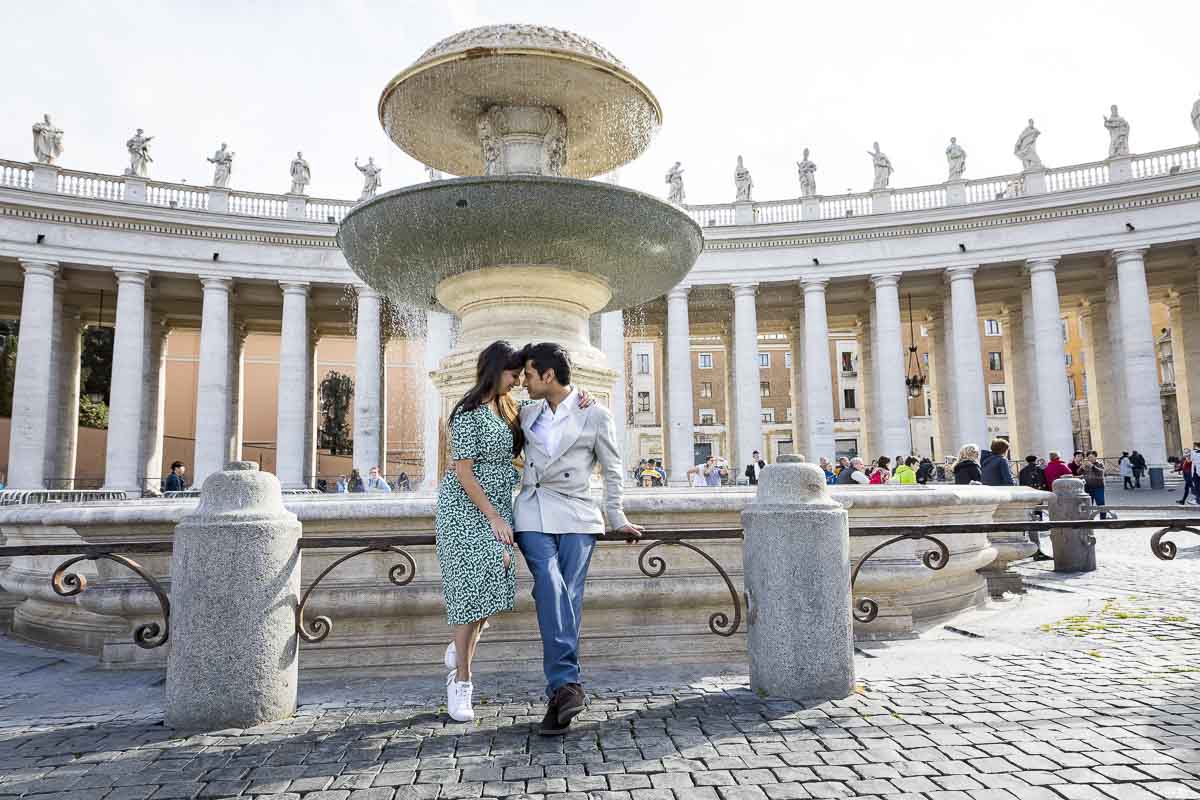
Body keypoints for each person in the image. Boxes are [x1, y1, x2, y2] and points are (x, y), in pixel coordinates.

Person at [512, 342, 642, 737]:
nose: (525, 383)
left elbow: (613, 468)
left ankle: (562, 693)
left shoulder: (595, 414)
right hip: (533, 509)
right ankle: (567, 683)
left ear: (548, 376)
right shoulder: (525, 411)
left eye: (530, 375)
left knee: (569, 594)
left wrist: (616, 515)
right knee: (549, 585)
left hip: (578, 511)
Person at [435, 342, 527, 723]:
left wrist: (581, 398)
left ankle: (461, 646)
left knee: (494, 572)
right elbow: (464, 471)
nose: (518, 381)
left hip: (497, 504)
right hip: (465, 506)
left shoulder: (507, 407)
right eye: (513, 374)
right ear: (495, 370)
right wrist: (492, 516)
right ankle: (462, 682)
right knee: (481, 569)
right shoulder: (466, 413)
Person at [1083, 451, 1108, 517]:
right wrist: (1081, 467)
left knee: (1101, 503)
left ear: (1095, 457)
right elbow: (1080, 472)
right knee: (1089, 503)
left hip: (1098, 487)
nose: (1090, 459)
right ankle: (1089, 518)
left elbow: (1101, 472)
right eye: (1089, 457)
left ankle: (1103, 518)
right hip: (1088, 487)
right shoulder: (1086, 465)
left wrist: (1092, 466)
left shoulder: (1100, 464)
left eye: (1092, 457)